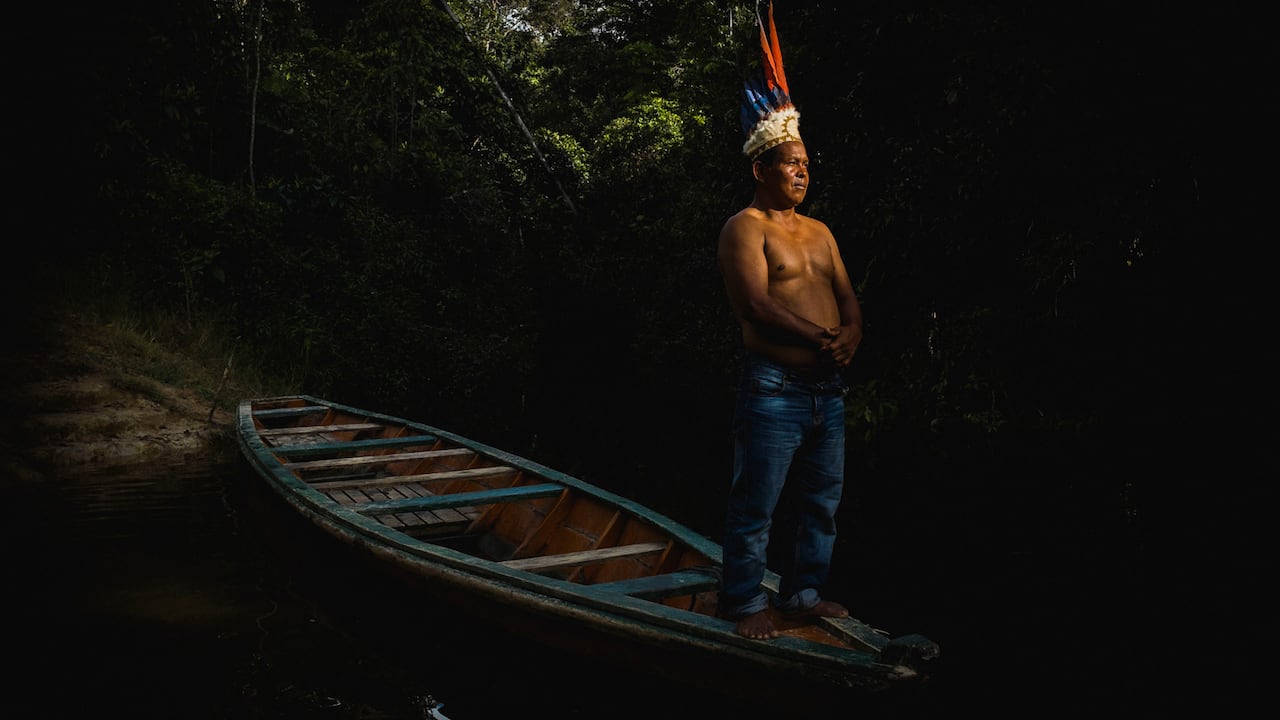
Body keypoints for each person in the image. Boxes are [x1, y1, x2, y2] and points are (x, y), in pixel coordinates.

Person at [716, 1, 863, 640]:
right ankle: (744, 602)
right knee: (757, 505)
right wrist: (816, 338)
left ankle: (803, 593)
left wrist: (850, 336)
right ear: (761, 168)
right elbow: (754, 306)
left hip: (828, 390)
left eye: (806, 162)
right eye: (790, 162)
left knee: (820, 504)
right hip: (775, 388)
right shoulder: (743, 228)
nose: (802, 170)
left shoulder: (822, 231)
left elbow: (849, 300)